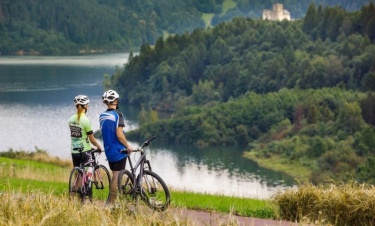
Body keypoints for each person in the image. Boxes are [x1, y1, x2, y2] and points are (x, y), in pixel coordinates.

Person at [99, 89, 133, 205]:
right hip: (119, 150)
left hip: (108, 151)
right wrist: (128, 145)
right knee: (117, 176)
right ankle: (112, 204)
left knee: (115, 175)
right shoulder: (118, 115)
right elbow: (119, 134)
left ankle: (111, 201)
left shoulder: (102, 116)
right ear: (116, 101)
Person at [68, 95, 102, 198]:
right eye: (88, 105)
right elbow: (91, 139)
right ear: (85, 106)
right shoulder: (85, 120)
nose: (88, 106)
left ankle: (73, 199)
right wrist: (98, 146)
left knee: (77, 175)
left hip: (74, 151)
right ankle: (86, 187)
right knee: (89, 168)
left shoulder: (71, 119)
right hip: (85, 150)